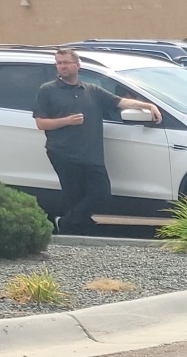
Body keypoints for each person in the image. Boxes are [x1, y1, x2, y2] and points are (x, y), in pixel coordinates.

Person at [32, 49, 160, 235]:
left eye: (66, 62)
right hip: (63, 153)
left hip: (91, 154)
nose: (62, 66)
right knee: (74, 197)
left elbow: (121, 103)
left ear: (78, 65)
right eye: (59, 63)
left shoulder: (91, 90)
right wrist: (66, 121)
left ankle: (66, 222)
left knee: (101, 194)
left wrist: (148, 105)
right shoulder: (48, 90)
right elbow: (40, 123)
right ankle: (79, 232)